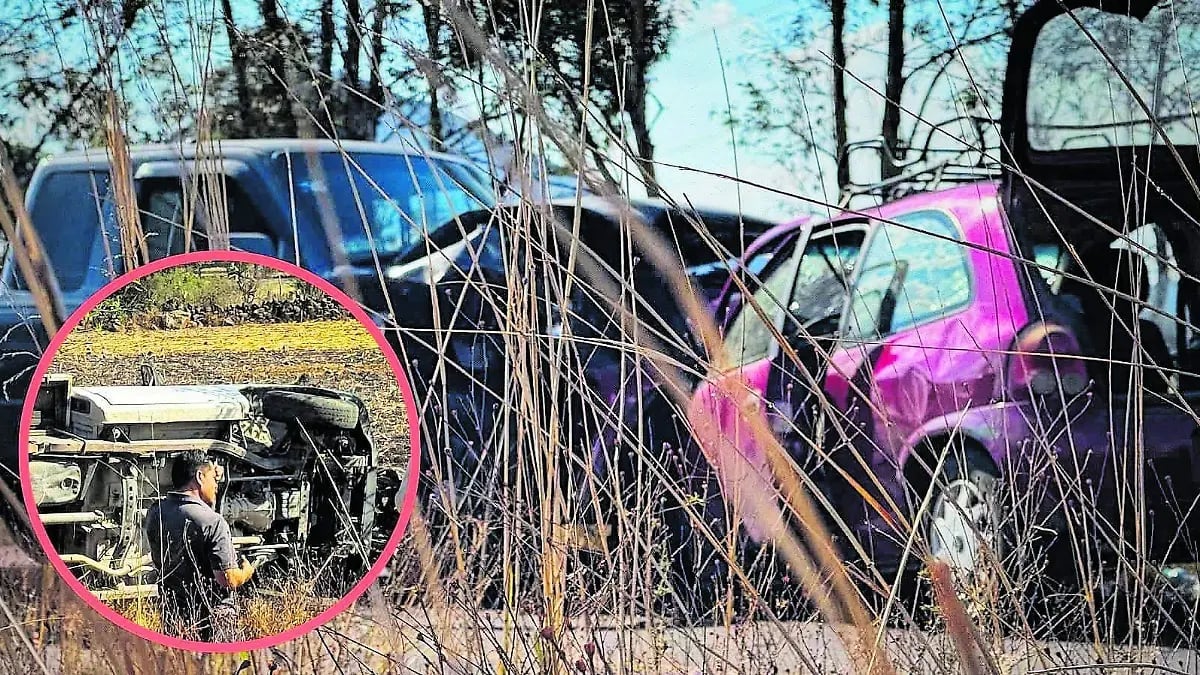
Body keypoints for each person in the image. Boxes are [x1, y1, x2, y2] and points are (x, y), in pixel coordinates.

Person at [143, 450, 259, 641]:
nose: (216, 485)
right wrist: (247, 571)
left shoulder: (156, 511)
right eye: (213, 478)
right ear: (199, 476)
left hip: (172, 613)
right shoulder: (213, 523)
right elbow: (227, 580)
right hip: (211, 618)